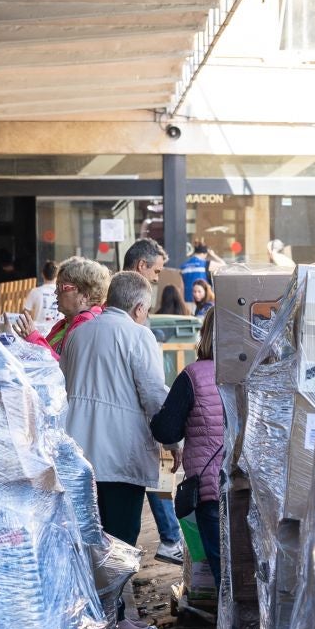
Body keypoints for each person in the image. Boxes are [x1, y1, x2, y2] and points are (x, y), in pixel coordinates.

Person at [62, 271, 170, 599]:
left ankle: (100, 612)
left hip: (79, 453)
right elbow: (154, 395)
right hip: (121, 454)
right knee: (120, 540)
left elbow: (63, 384)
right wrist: (173, 438)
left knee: (89, 540)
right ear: (139, 308)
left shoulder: (78, 334)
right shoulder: (139, 336)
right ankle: (116, 615)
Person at [150, 308, 225, 580]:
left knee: (222, 565)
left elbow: (166, 429)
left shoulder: (193, 376)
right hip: (255, 491)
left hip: (210, 488)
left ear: (205, 333)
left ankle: (230, 622)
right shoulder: (259, 373)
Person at [120, 238, 182, 558]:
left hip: (129, 416)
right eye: (156, 270)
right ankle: (170, 537)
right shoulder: (134, 325)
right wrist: (168, 433)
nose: (158, 277)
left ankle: (171, 536)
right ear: (141, 266)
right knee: (152, 472)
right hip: (131, 417)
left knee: (153, 472)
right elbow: (152, 387)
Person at [47, 256, 109, 356]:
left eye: (62, 287)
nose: (56, 292)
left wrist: (33, 337)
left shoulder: (88, 327)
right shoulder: (65, 323)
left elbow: (66, 366)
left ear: (85, 296)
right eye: (56, 286)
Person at [23, 260, 61, 330]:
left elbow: (25, 313)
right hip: (58, 332)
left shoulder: (35, 291)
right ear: (58, 275)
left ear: (42, 274)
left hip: (38, 332)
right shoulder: (62, 292)